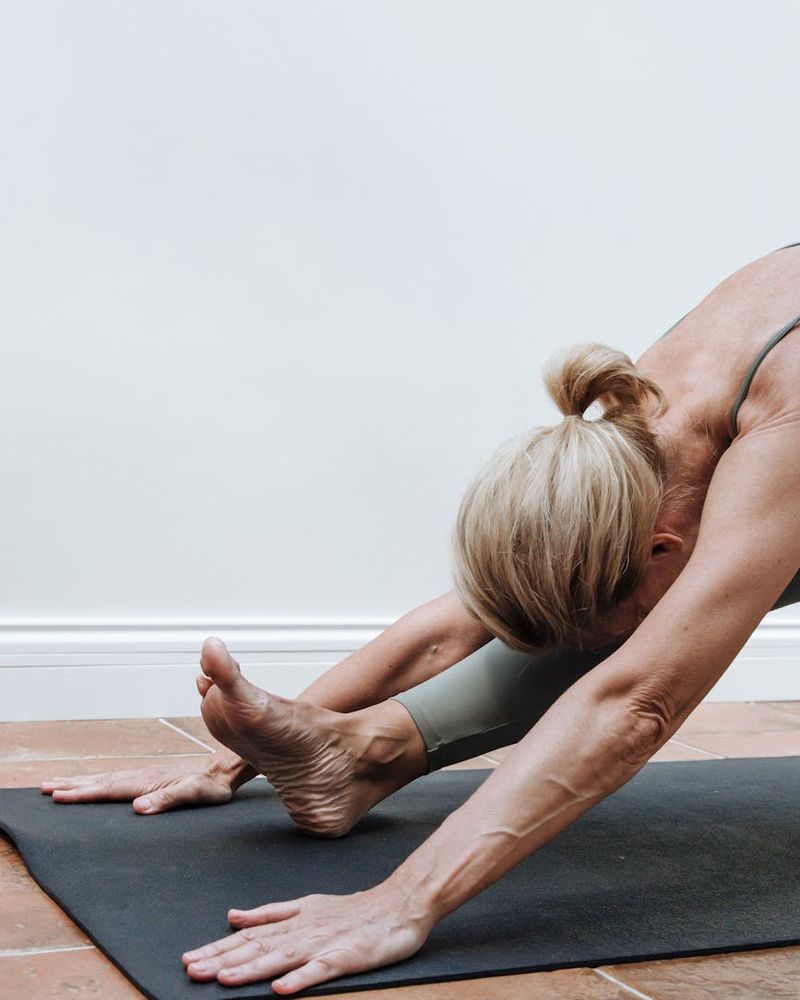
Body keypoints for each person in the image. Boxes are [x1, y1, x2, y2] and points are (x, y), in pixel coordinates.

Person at [42, 243, 800, 996]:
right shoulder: (638, 423)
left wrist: (404, 903)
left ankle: (376, 750)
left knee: (651, 630)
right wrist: (229, 765)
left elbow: (639, 702)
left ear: (664, 547)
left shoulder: (776, 421)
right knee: (602, 602)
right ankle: (365, 756)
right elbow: (461, 620)